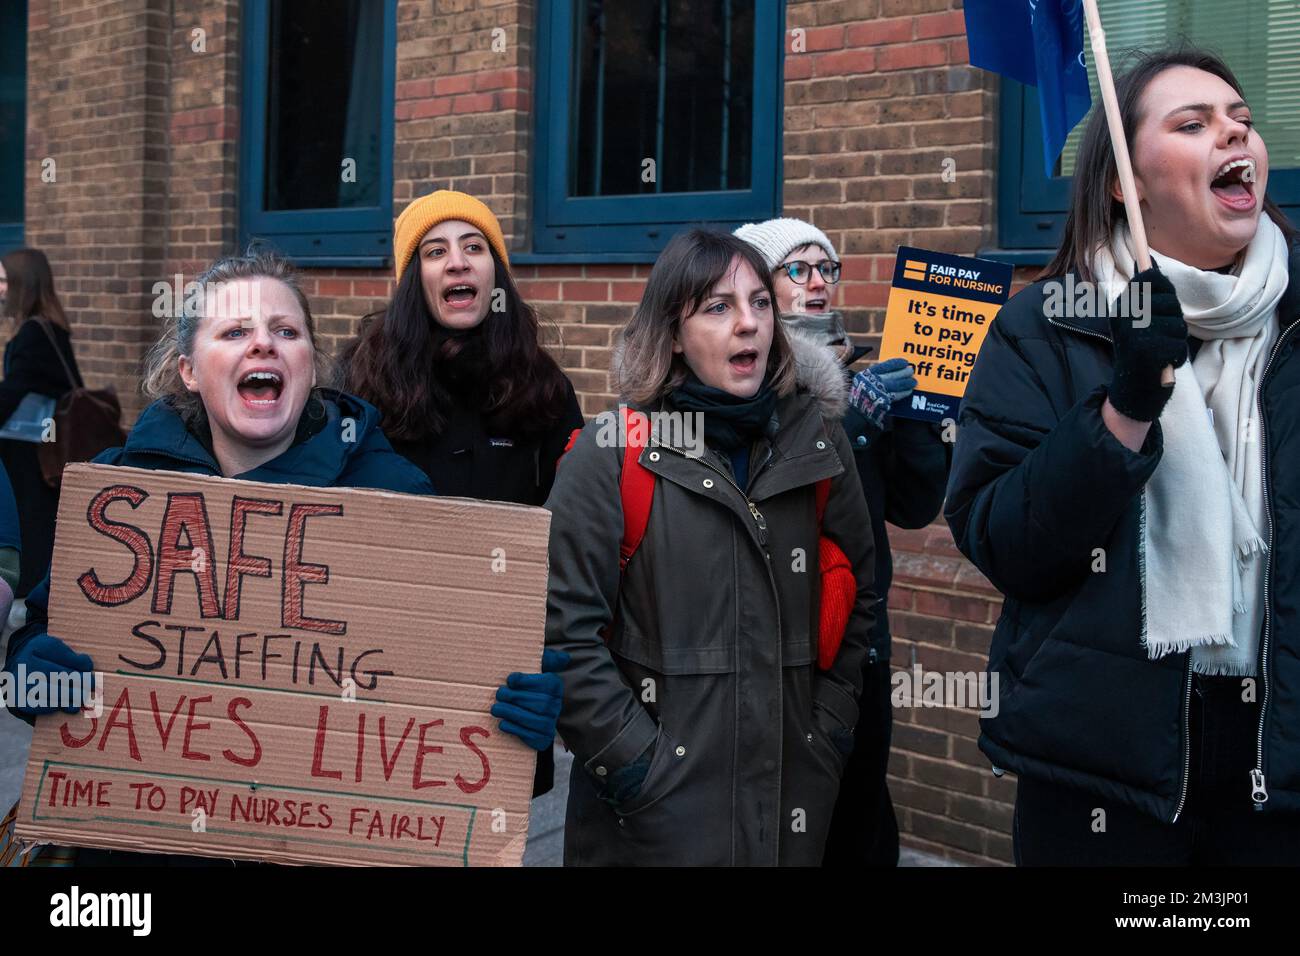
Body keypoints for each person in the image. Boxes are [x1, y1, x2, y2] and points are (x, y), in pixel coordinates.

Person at [3, 250, 564, 864]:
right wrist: (33, 669)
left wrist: (513, 721)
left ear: (309, 365)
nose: (263, 345)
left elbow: (448, 682)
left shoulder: (397, 500)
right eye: (236, 332)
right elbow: (40, 629)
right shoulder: (122, 497)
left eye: (285, 332)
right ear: (189, 370)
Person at [945, 48, 1300, 865]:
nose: (1232, 134)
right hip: (1105, 772)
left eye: (1241, 121)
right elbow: (1007, 542)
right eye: (1193, 123)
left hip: (1278, 766)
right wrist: (1124, 409)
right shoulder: (1044, 326)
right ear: (1124, 184)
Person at [546, 228, 877, 865]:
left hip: (790, 815)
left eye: (758, 303)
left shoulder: (818, 441)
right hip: (649, 829)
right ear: (672, 333)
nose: (748, 324)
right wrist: (638, 768)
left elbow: (862, 593)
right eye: (718, 308)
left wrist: (827, 729)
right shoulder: (610, 456)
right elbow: (561, 634)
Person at [345, 190, 582, 797]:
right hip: (383, 670)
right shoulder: (359, 383)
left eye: (474, 247)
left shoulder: (543, 388)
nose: (457, 262)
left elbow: (573, 534)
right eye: (435, 251)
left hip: (499, 686)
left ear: (494, 273)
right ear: (412, 279)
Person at [735, 217, 951, 867]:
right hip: (785, 645)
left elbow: (913, 509)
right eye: (796, 269)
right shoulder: (747, 377)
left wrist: (924, 418)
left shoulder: (862, 369)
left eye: (827, 268)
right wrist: (855, 422)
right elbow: (781, 493)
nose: (818, 282)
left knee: (860, 811)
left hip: (862, 639)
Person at [0, 249, 83, 596]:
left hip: (31, 452)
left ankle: (29, 600)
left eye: (4, 280)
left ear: (23, 283)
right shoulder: (49, 328)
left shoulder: (36, 333)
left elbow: (12, 394)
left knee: (28, 527)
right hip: (37, 446)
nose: (0, 288)